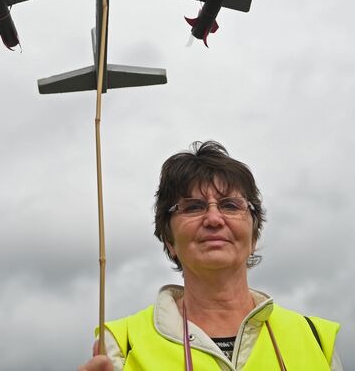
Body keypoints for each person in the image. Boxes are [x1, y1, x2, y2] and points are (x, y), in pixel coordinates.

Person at [78, 141, 342, 370]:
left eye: (230, 205)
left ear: (254, 236)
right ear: (169, 239)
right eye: (194, 207)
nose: (214, 219)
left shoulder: (316, 339)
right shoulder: (121, 343)